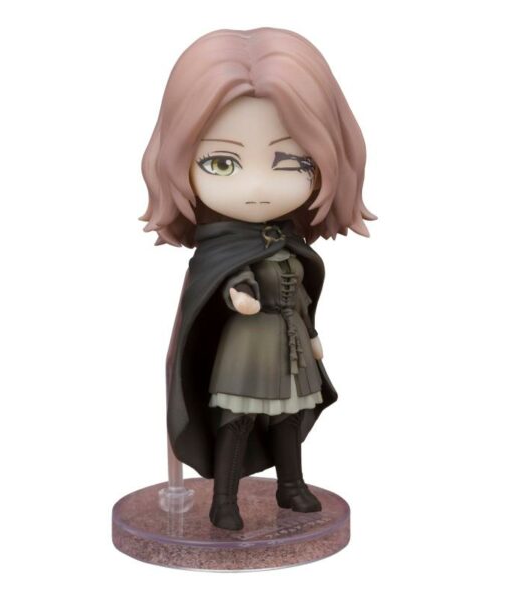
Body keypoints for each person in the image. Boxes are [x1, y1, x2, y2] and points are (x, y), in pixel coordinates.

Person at [139, 27, 376, 530]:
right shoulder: (220, 251)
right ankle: (224, 501)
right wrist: (239, 292)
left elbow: (303, 296)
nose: (257, 186)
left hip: (290, 346)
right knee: (237, 420)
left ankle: (292, 486)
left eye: (289, 160)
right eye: (221, 162)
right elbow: (227, 281)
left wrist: (311, 334)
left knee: (288, 417)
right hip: (245, 351)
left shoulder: (288, 244)